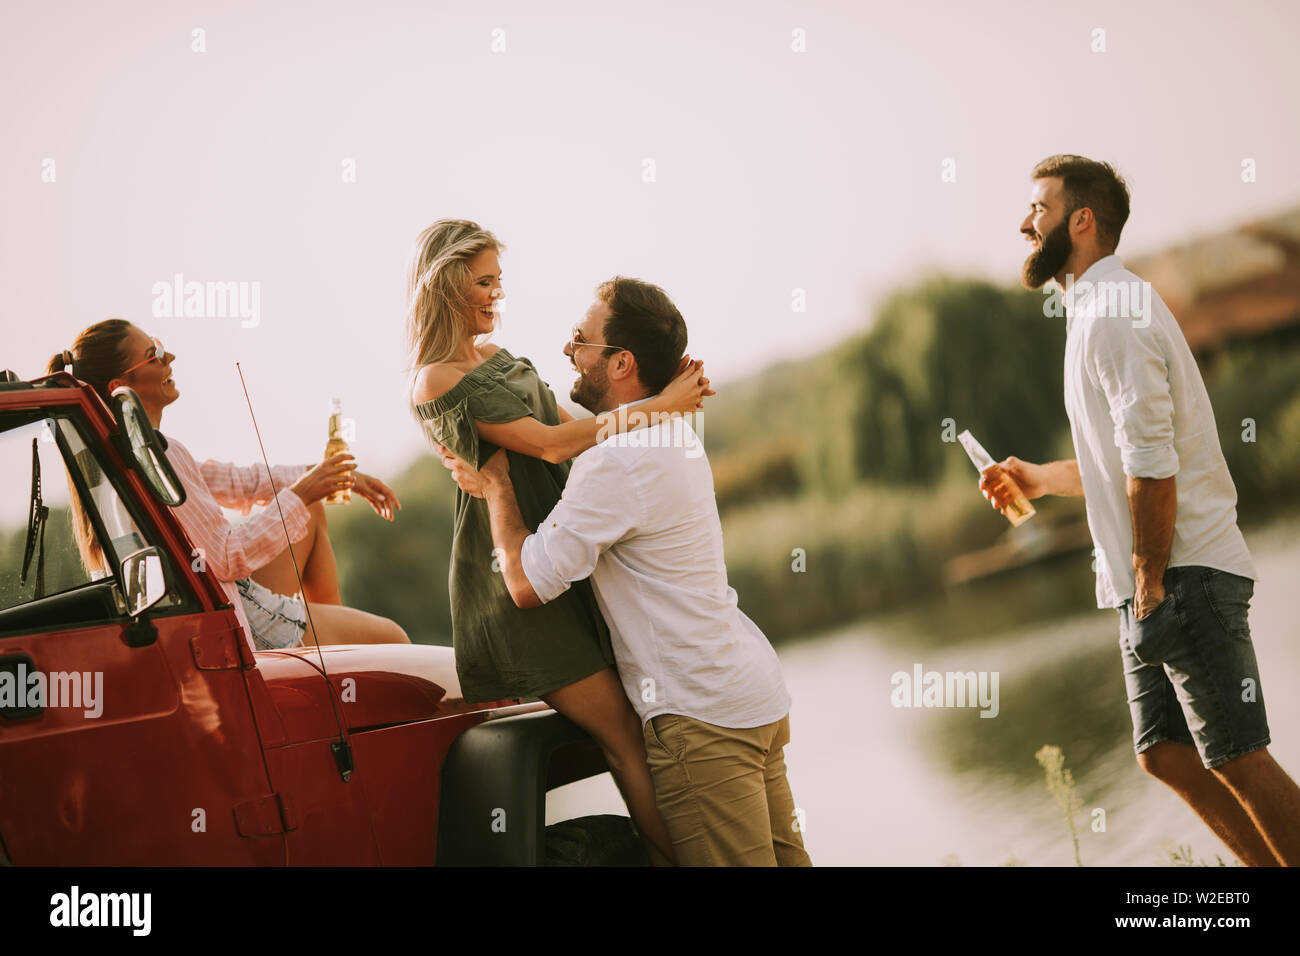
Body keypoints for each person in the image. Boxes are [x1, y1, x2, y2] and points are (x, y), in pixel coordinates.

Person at [983, 154, 1300, 866]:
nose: (1025, 224)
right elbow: (1123, 462)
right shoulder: (1092, 312)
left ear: (1081, 220)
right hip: (1152, 584)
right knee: (1166, 755)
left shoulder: (1113, 314)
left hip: (1181, 576)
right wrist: (1038, 479)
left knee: (1239, 758)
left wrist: (1150, 581)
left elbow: (1155, 465)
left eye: (1039, 209)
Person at [437, 275, 810, 867]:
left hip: (701, 718)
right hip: (750, 694)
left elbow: (527, 584)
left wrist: (495, 489)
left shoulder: (616, 464)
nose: (568, 352)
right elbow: (561, 440)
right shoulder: (669, 433)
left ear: (620, 363)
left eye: (581, 341)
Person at [407, 220, 710, 867]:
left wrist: (651, 412)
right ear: (450, 281)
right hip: (520, 585)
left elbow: (573, 426)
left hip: (565, 554)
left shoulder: (498, 359)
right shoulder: (434, 380)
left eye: (498, 282)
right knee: (625, 735)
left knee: (640, 725)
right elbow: (546, 445)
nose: (495, 295)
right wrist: (659, 408)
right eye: (484, 281)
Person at [49, 319, 411, 652]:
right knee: (393, 640)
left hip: (208, 607)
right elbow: (224, 558)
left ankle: (335, 656)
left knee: (310, 511)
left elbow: (241, 481)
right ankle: (340, 656)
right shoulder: (157, 456)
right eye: (153, 354)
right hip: (231, 620)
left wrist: (324, 477)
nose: (169, 356)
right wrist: (302, 492)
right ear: (120, 388)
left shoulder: (120, 459)